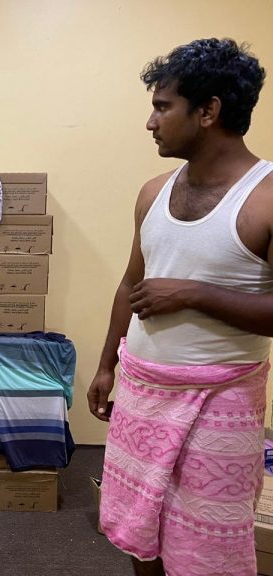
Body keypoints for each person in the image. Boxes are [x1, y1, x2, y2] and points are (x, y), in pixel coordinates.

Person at [87, 38, 272, 576]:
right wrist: (106, 364)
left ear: (208, 111)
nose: (151, 122)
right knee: (139, 530)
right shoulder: (152, 192)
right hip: (143, 390)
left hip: (221, 399)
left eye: (163, 107)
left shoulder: (265, 198)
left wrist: (195, 293)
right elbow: (131, 283)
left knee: (208, 546)